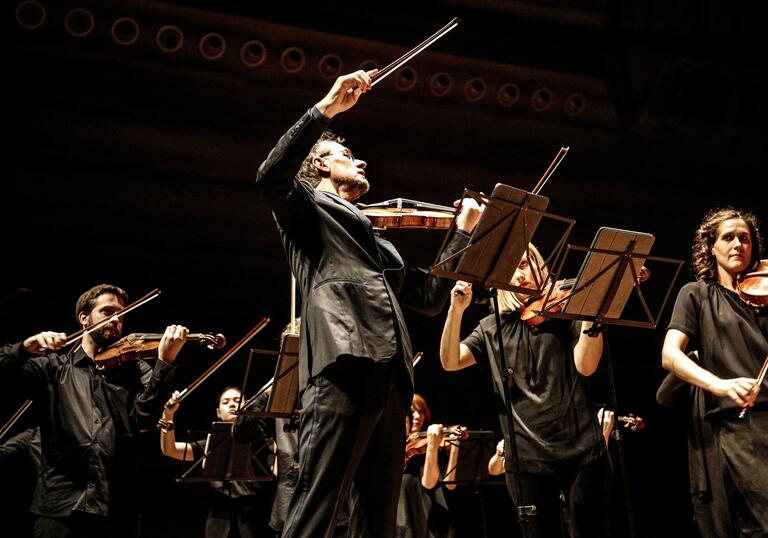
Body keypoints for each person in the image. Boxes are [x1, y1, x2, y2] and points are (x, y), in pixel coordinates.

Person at [254, 69, 481, 537]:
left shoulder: (379, 241)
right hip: (344, 360)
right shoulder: (306, 209)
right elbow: (270, 175)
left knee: (379, 517)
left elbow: (430, 298)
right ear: (318, 165)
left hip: (393, 371)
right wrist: (326, 110)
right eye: (346, 155)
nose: (360, 164)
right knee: (318, 505)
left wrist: (462, 233)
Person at [440, 246, 612, 538]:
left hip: (583, 452)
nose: (519, 276)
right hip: (527, 461)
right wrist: (456, 311)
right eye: (510, 269)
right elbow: (450, 360)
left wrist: (591, 316)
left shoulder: (568, 314)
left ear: (541, 266)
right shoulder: (491, 327)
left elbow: (586, 366)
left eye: (525, 265)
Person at [0, 283, 188, 538]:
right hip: (59, 506)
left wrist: (164, 363)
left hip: (113, 507)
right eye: (108, 312)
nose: (116, 319)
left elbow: (145, 418)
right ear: (84, 318)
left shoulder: (133, 370)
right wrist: (23, 348)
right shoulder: (54, 368)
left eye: (121, 314)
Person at [661, 206, 768, 535]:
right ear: (711, 246)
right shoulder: (696, 295)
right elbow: (670, 355)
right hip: (736, 427)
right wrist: (720, 385)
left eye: (745, 239)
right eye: (729, 237)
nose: (738, 244)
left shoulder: (763, 296)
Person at [159, 386, 273, 538]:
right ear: (218, 412)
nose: (232, 405)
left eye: (237, 401)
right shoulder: (211, 444)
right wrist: (168, 415)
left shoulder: (262, 442)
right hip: (219, 522)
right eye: (226, 402)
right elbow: (170, 450)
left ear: (248, 406)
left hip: (255, 520)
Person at [656, 354, 732, 537]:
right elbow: (663, 396)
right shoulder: (696, 367)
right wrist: (692, 358)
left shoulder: (734, 354)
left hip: (735, 467)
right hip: (704, 477)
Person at [397, 394, 460, 538]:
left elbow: (442, 484)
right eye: (412, 412)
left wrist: (445, 445)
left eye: (421, 412)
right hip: (400, 521)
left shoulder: (428, 447)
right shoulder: (395, 449)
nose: (418, 417)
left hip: (425, 520)